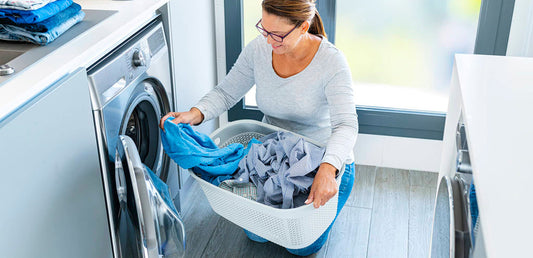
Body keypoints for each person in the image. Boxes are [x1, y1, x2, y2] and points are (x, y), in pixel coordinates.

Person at [159, 0, 357, 255]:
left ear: (303, 27)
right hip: (271, 155)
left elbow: (346, 124)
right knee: (257, 234)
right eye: (263, 29)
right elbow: (226, 92)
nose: (268, 40)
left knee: (301, 246)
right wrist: (195, 114)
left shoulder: (331, 62)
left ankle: (328, 208)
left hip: (323, 161)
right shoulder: (259, 49)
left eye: (277, 34)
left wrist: (329, 169)